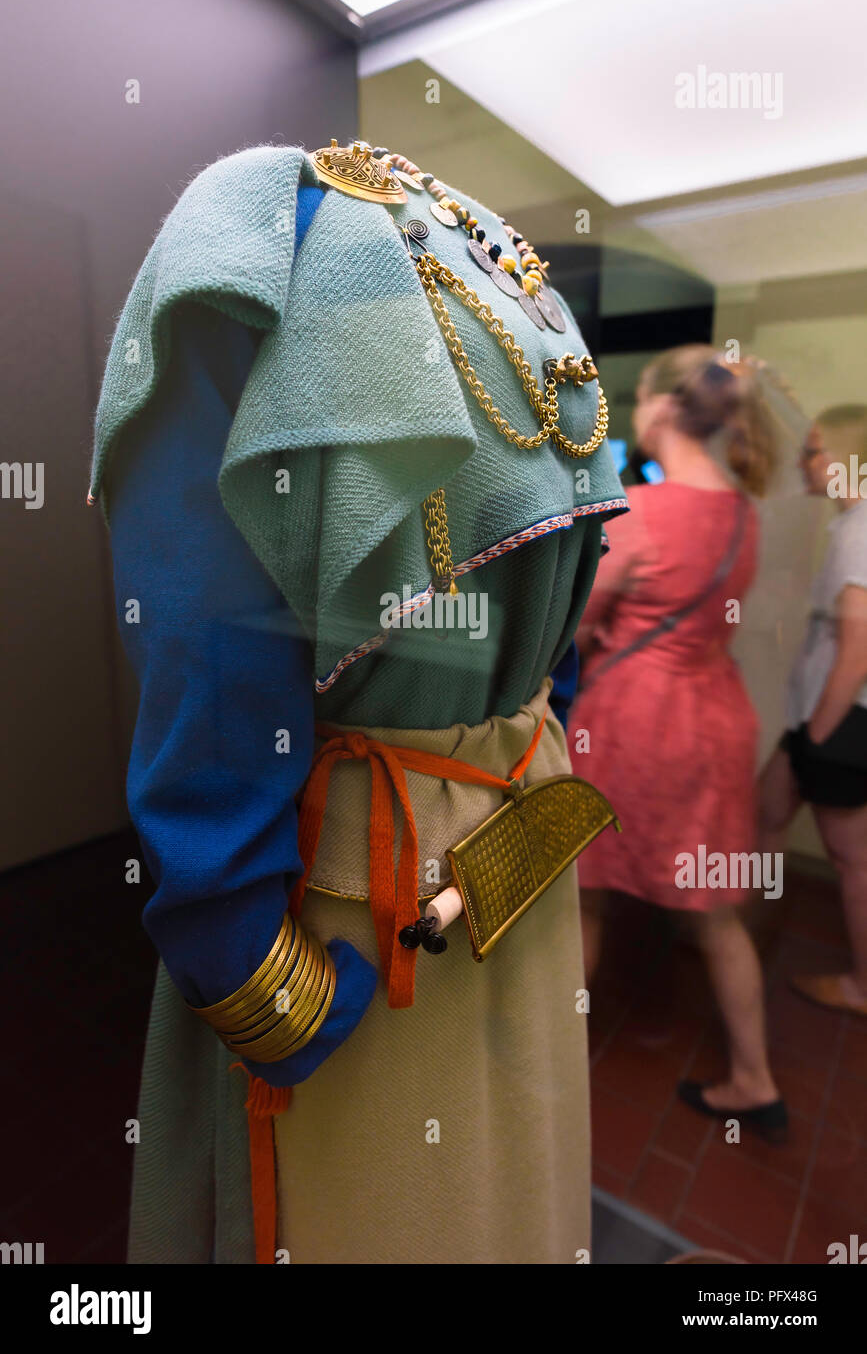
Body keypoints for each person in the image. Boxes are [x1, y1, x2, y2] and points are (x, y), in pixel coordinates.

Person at [89, 140, 628, 1263]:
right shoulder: (501, 277)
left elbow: (204, 633)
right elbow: (549, 631)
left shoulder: (264, 229)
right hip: (474, 855)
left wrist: (237, 950)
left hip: (374, 916)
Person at [568, 345, 788, 1140]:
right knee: (716, 917)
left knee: (583, 901)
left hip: (636, 719)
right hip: (712, 719)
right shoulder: (741, 510)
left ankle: (552, 1065)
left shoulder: (639, 510)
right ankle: (754, 1079)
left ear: (660, 409)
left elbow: (582, 621)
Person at [759, 404, 867, 1018]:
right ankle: (747, 927)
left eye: (817, 449)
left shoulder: (859, 532)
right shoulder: (848, 526)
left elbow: (856, 652)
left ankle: (861, 984)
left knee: (853, 860)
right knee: (766, 812)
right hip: (812, 718)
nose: (806, 460)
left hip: (833, 721)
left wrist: (817, 739)